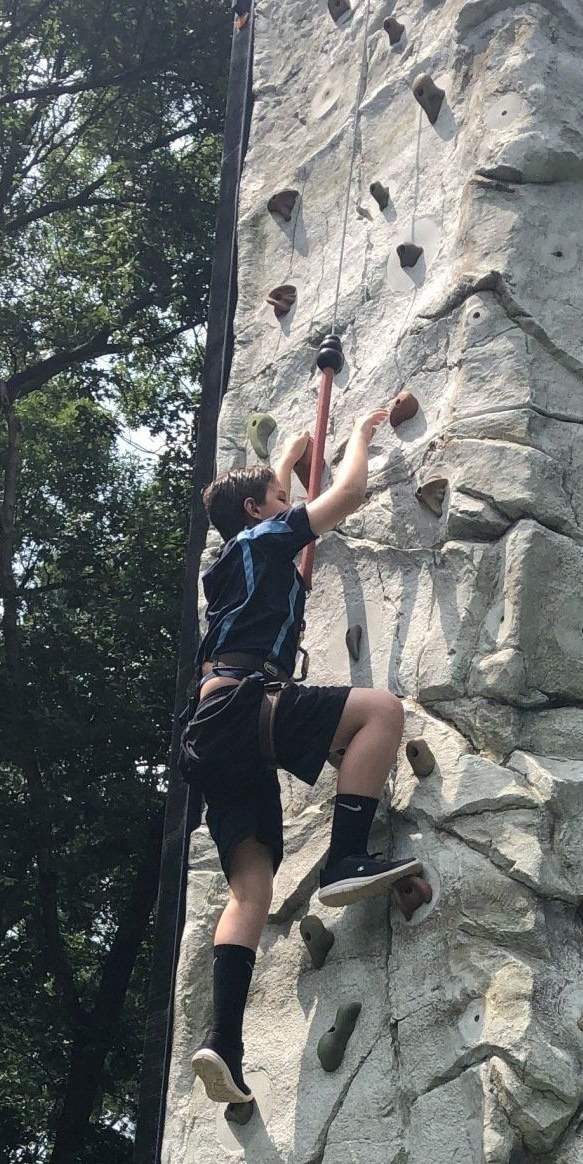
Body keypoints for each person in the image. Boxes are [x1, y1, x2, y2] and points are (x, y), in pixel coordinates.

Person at [181, 404, 423, 1107]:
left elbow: (268, 497)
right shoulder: (259, 542)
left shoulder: (233, 558)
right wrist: (362, 436)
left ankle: (222, 1041)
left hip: (212, 730)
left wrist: (286, 461)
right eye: (283, 499)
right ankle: (347, 855)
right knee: (379, 712)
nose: (293, 505)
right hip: (246, 704)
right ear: (259, 512)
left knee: (250, 890)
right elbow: (344, 498)